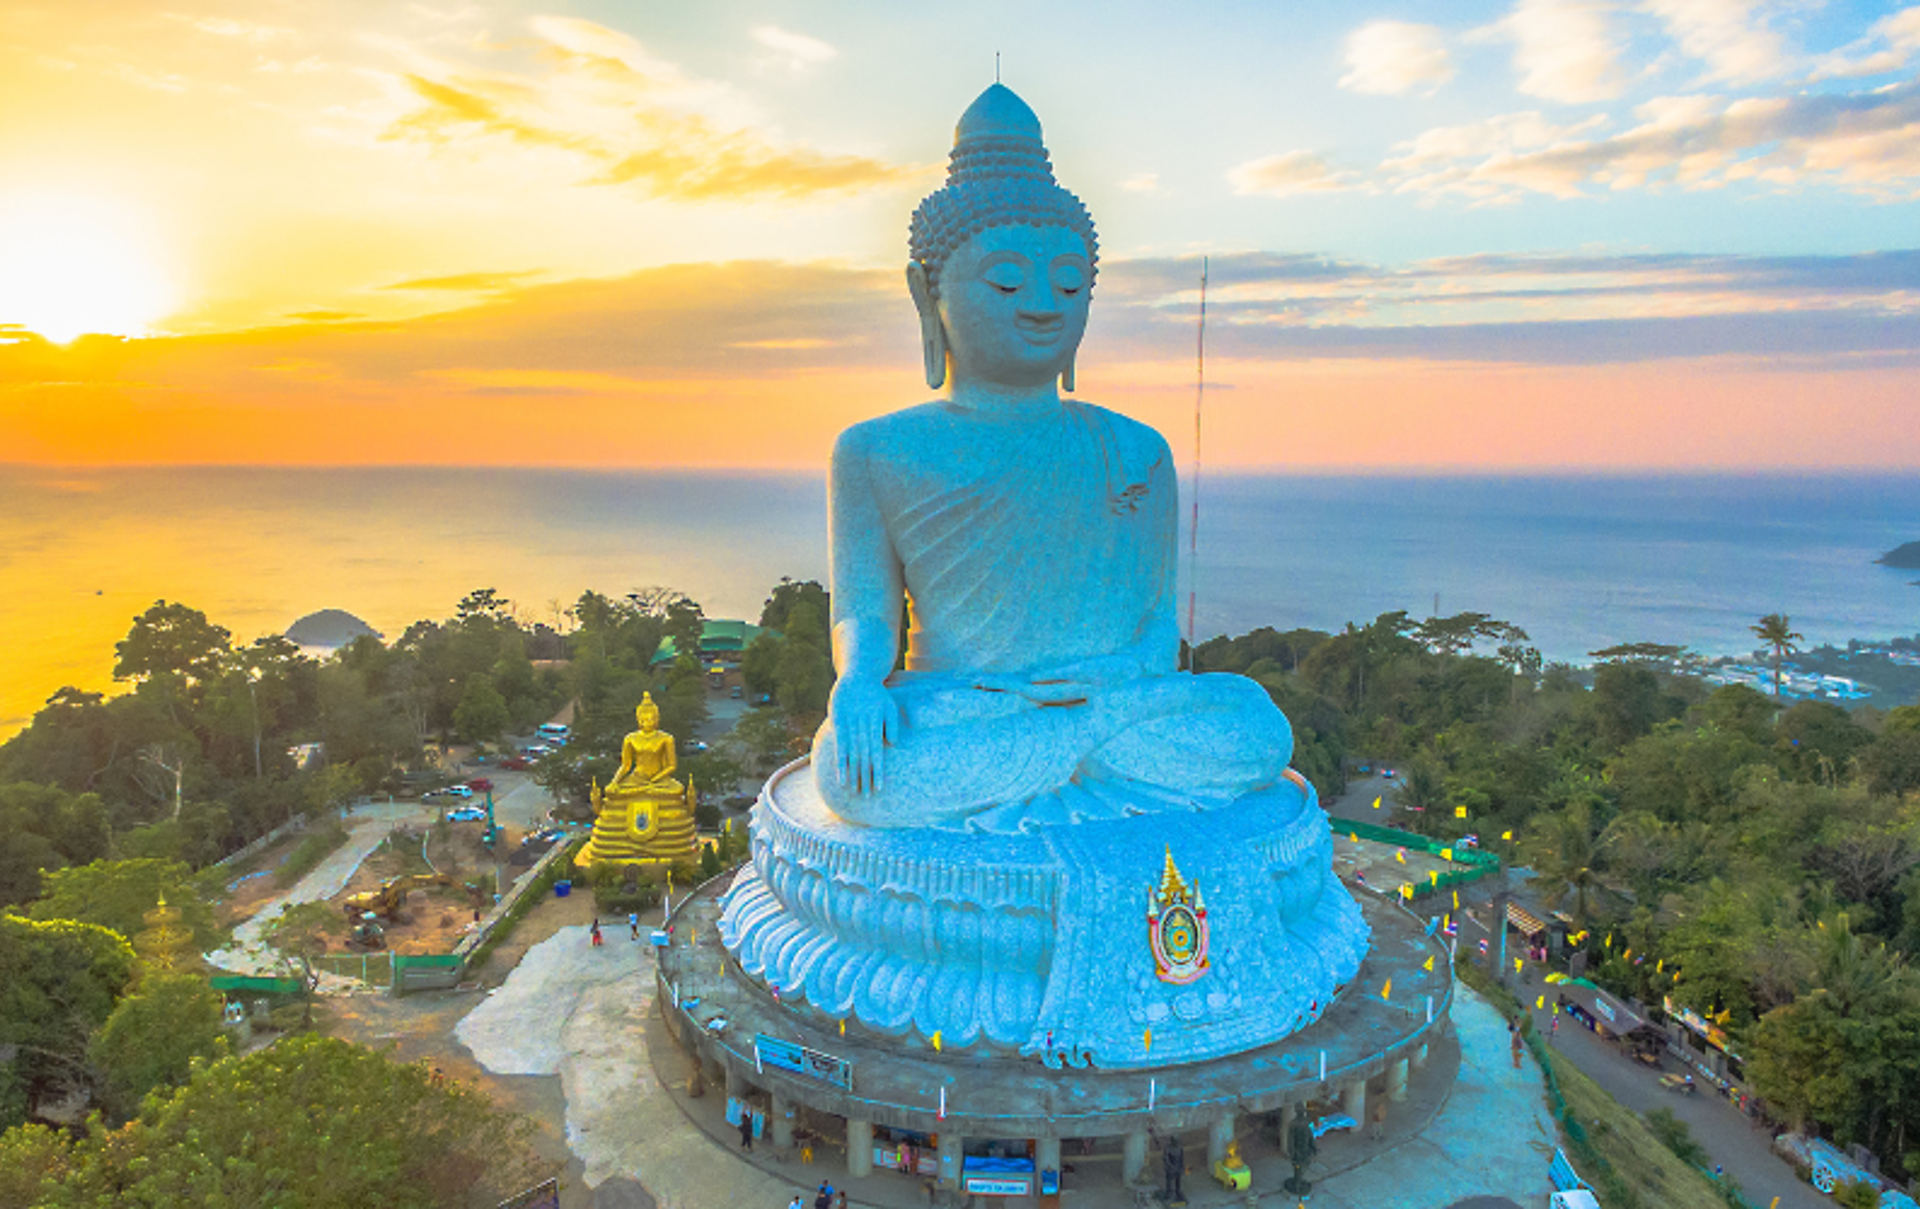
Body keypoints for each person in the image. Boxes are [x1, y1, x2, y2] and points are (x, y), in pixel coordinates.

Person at [809, 83, 1295, 834]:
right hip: (967, 705)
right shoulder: (876, 450)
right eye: (1006, 280)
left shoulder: (1136, 450)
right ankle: (1082, 763)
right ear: (924, 295)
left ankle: (1063, 756)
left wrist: (1107, 682)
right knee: (854, 766)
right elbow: (866, 612)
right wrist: (858, 685)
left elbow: (1157, 629)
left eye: (1069, 283)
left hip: (1111, 699)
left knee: (1254, 723)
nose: (1043, 303)